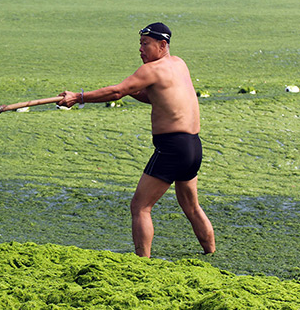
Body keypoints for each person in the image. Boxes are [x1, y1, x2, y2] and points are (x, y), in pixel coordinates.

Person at [57, 22, 216, 258]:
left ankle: (142, 263)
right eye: (139, 44)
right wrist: (132, 89)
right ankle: (210, 251)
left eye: (145, 44)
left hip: (172, 147)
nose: (140, 50)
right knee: (191, 206)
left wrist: (77, 97)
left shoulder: (151, 70)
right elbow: (158, 97)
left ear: (162, 45)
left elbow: (116, 92)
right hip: (193, 146)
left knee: (140, 206)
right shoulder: (179, 64)